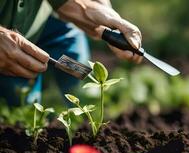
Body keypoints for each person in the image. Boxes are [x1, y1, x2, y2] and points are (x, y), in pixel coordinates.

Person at [0, 0, 143, 106]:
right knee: (20, 106)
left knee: (77, 65)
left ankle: (78, 117)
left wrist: (86, 7)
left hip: (44, 18)